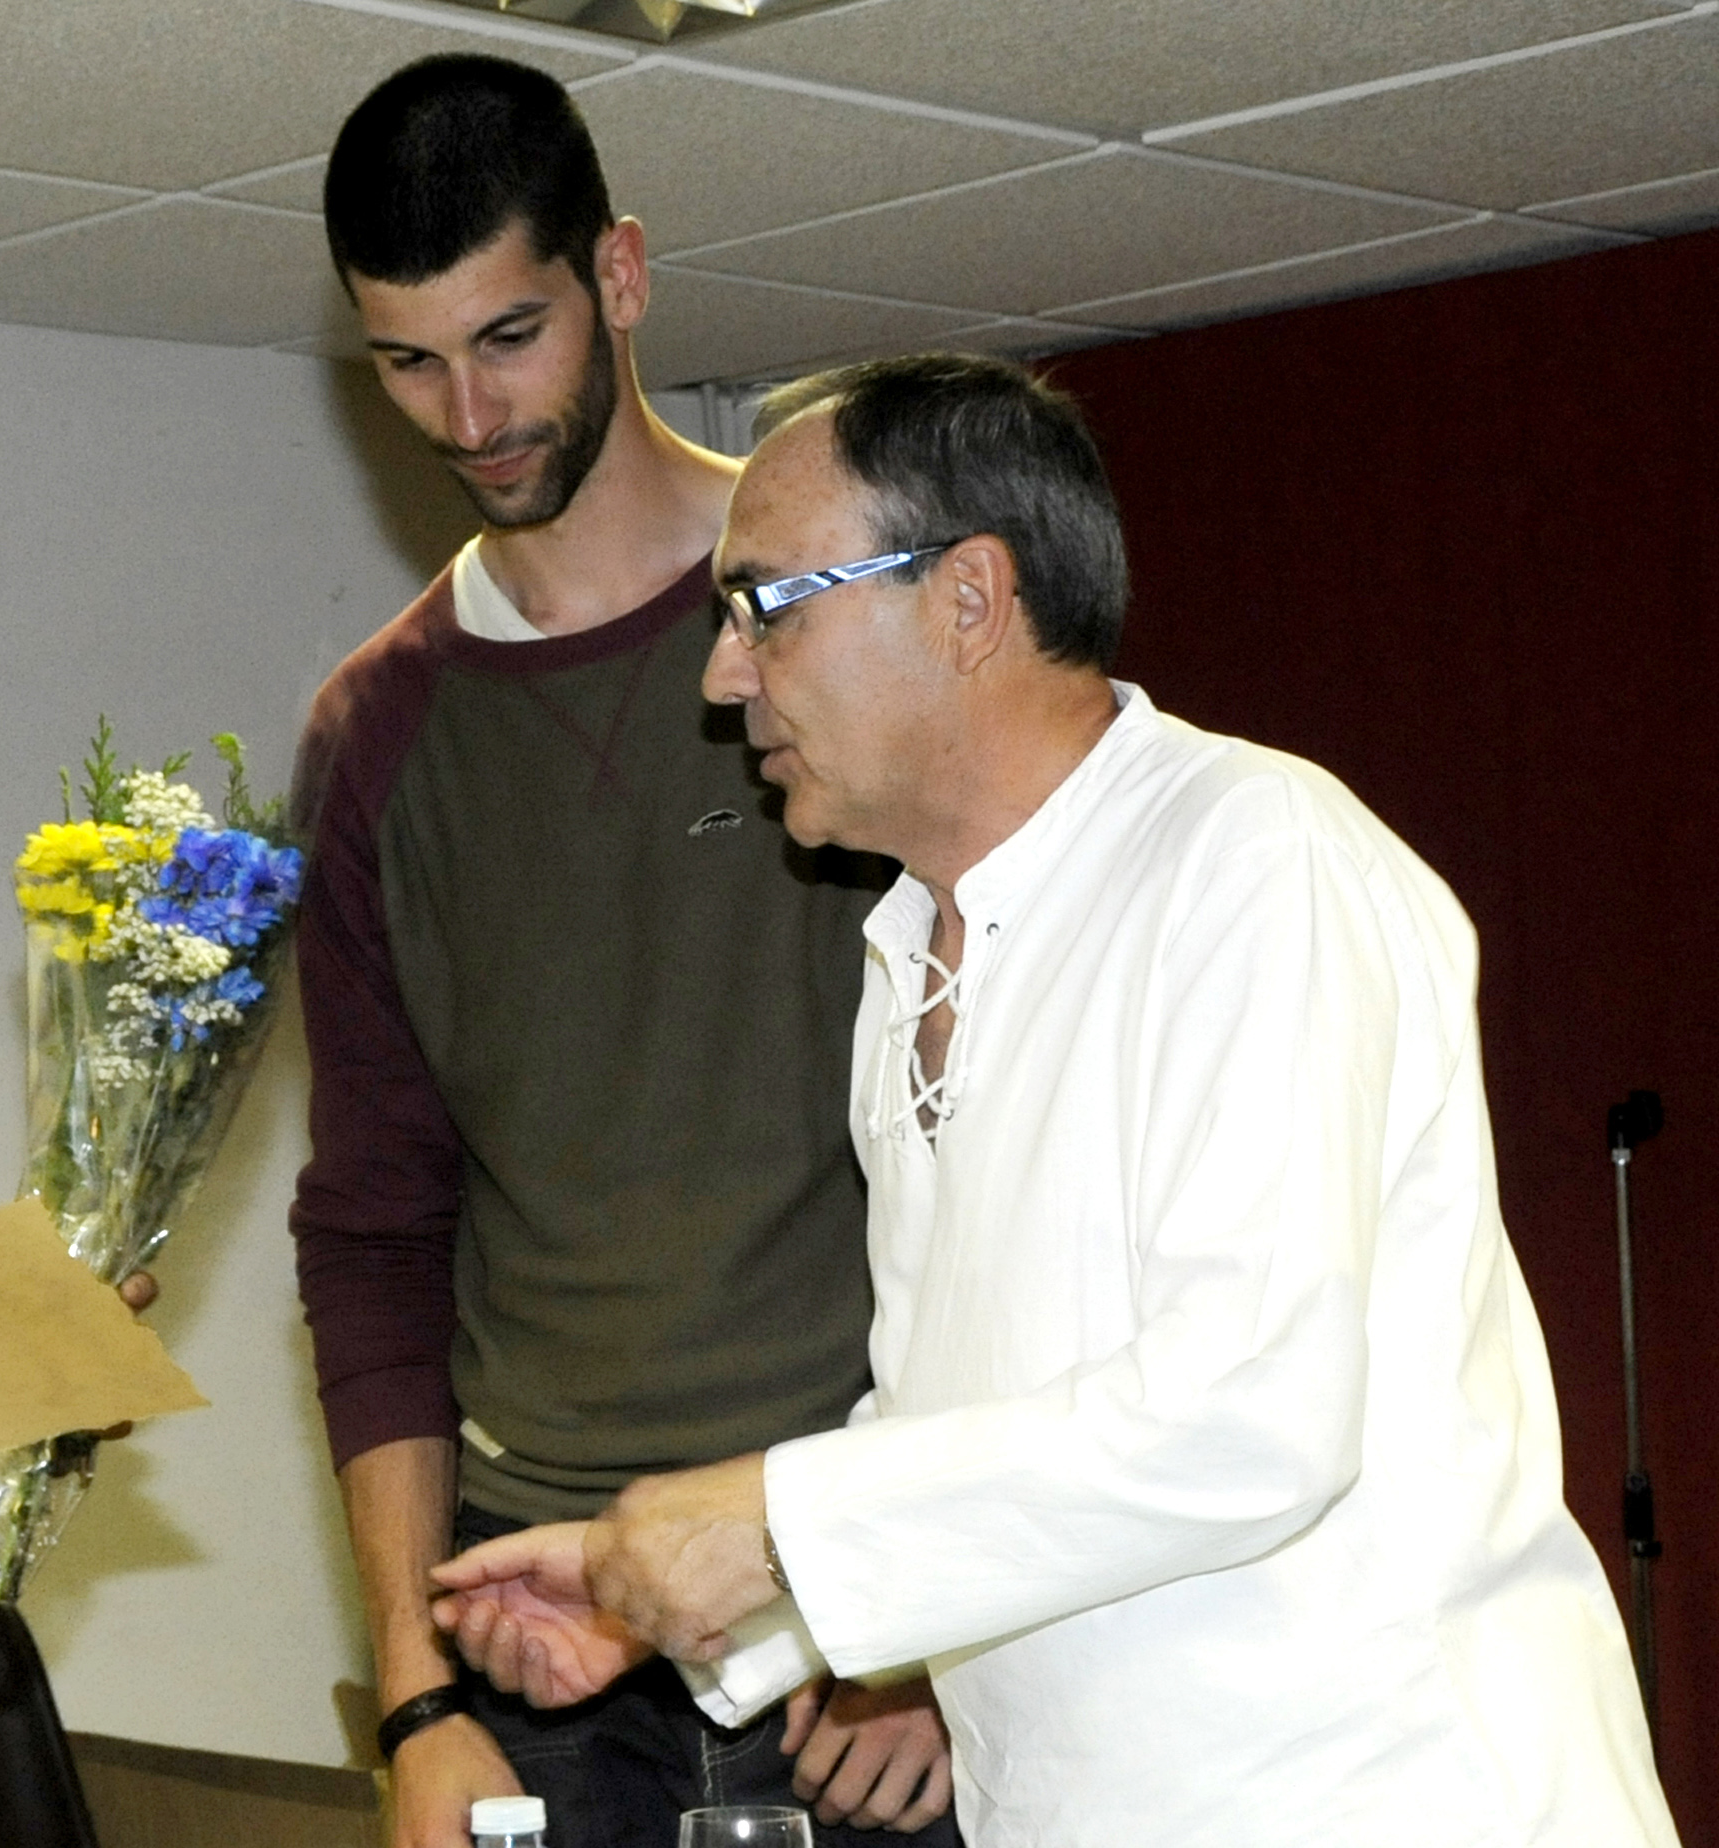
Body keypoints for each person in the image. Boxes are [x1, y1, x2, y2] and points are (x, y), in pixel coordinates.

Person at [429, 354, 1681, 1847]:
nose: (722, 672)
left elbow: (1252, 1417)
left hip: (1374, 1795)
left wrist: (766, 1525)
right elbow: (963, 1420)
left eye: (767, 605)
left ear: (967, 599)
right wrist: (693, 1609)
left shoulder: (1255, 857)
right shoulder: (908, 948)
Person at [293, 54, 955, 1848]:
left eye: (510, 335)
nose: (468, 412)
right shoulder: (376, 738)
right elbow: (374, 1231)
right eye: (408, 363)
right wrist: (415, 1698)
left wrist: (937, 1620)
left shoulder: (844, 627)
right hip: (543, 1621)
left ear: (625, 275)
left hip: (852, 1619)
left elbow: (1024, 1148)